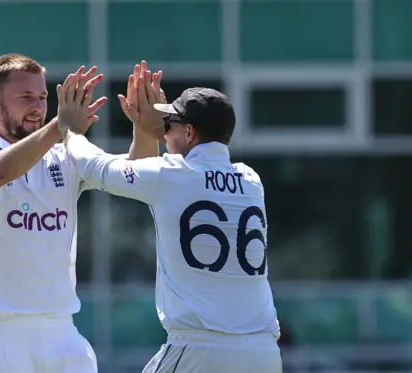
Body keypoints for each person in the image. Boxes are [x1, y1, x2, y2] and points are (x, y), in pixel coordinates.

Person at [0, 54, 159, 373]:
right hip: (0, 337)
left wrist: (145, 129)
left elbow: (135, 175)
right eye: (26, 97)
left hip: (63, 334)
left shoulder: (66, 156)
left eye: (44, 98)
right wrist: (59, 127)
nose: (37, 106)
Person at [59, 83, 282, 372]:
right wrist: (152, 130)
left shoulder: (169, 176)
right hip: (263, 352)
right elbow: (175, 176)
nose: (164, 131)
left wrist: (70, 130)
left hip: (201, 349)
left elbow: (96, 168)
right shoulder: (251, 179)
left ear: (189, 132)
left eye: (169, 124)